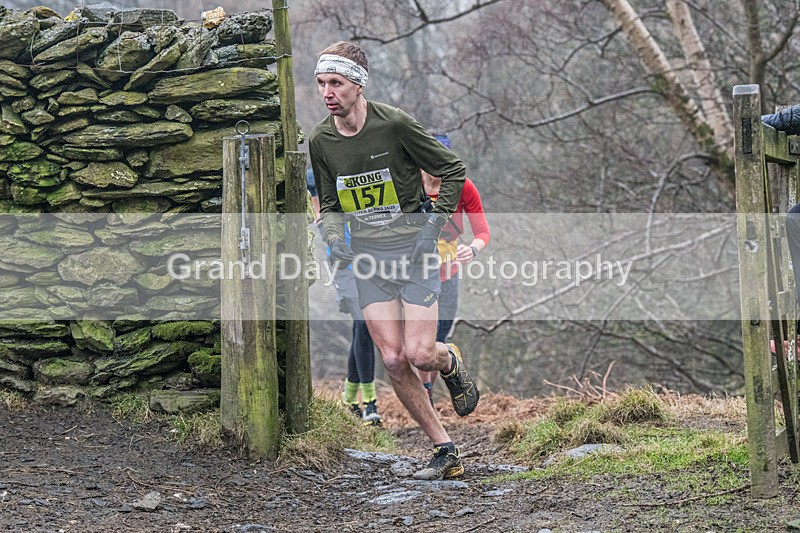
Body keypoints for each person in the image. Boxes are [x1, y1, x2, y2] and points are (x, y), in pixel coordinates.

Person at [309, 41, 480, 480]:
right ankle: (445, 450)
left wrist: (432, 227)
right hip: (368, 258)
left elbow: (454, 169)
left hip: (416, 252)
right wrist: (334, 236)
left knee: (421, 355)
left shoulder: (396, 125)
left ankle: (450, 361)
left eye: (337, 83)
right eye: (322, 83)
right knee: (392, 360)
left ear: (358, 86)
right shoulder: (321, 140)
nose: (328, 92)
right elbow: (329, 202)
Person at [416, 132, 490, 405]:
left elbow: (482, 232)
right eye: (429, 157)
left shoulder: (462, 186)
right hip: (414, 275)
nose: (434, 164)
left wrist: (472, 249)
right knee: (413, 343)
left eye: (440, 158)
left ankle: (428, 396)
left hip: (448, 275)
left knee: (436, 340)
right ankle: (425, 397)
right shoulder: (409, 183)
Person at [307, 168, 381, 425]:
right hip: (344, 270)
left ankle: (350, 399)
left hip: (368, 264)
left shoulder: (346, 185)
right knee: (364, 324)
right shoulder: (314, 184)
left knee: (363, 329)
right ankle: (370, 403)